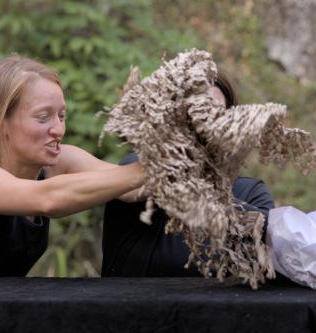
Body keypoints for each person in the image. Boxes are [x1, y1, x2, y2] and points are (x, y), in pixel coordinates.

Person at [0, 55, 146, 277]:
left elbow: (129, 187)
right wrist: (147, 170)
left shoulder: (58, 161)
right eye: (43, 117)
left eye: (61, 116)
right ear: (1, 122)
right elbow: (49, 199)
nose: (58, 129)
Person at [101, 70, 275, 277]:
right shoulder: (135, 174)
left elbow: (268, 247)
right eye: (192, 113)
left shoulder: (250, 193)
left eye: (216, 114)